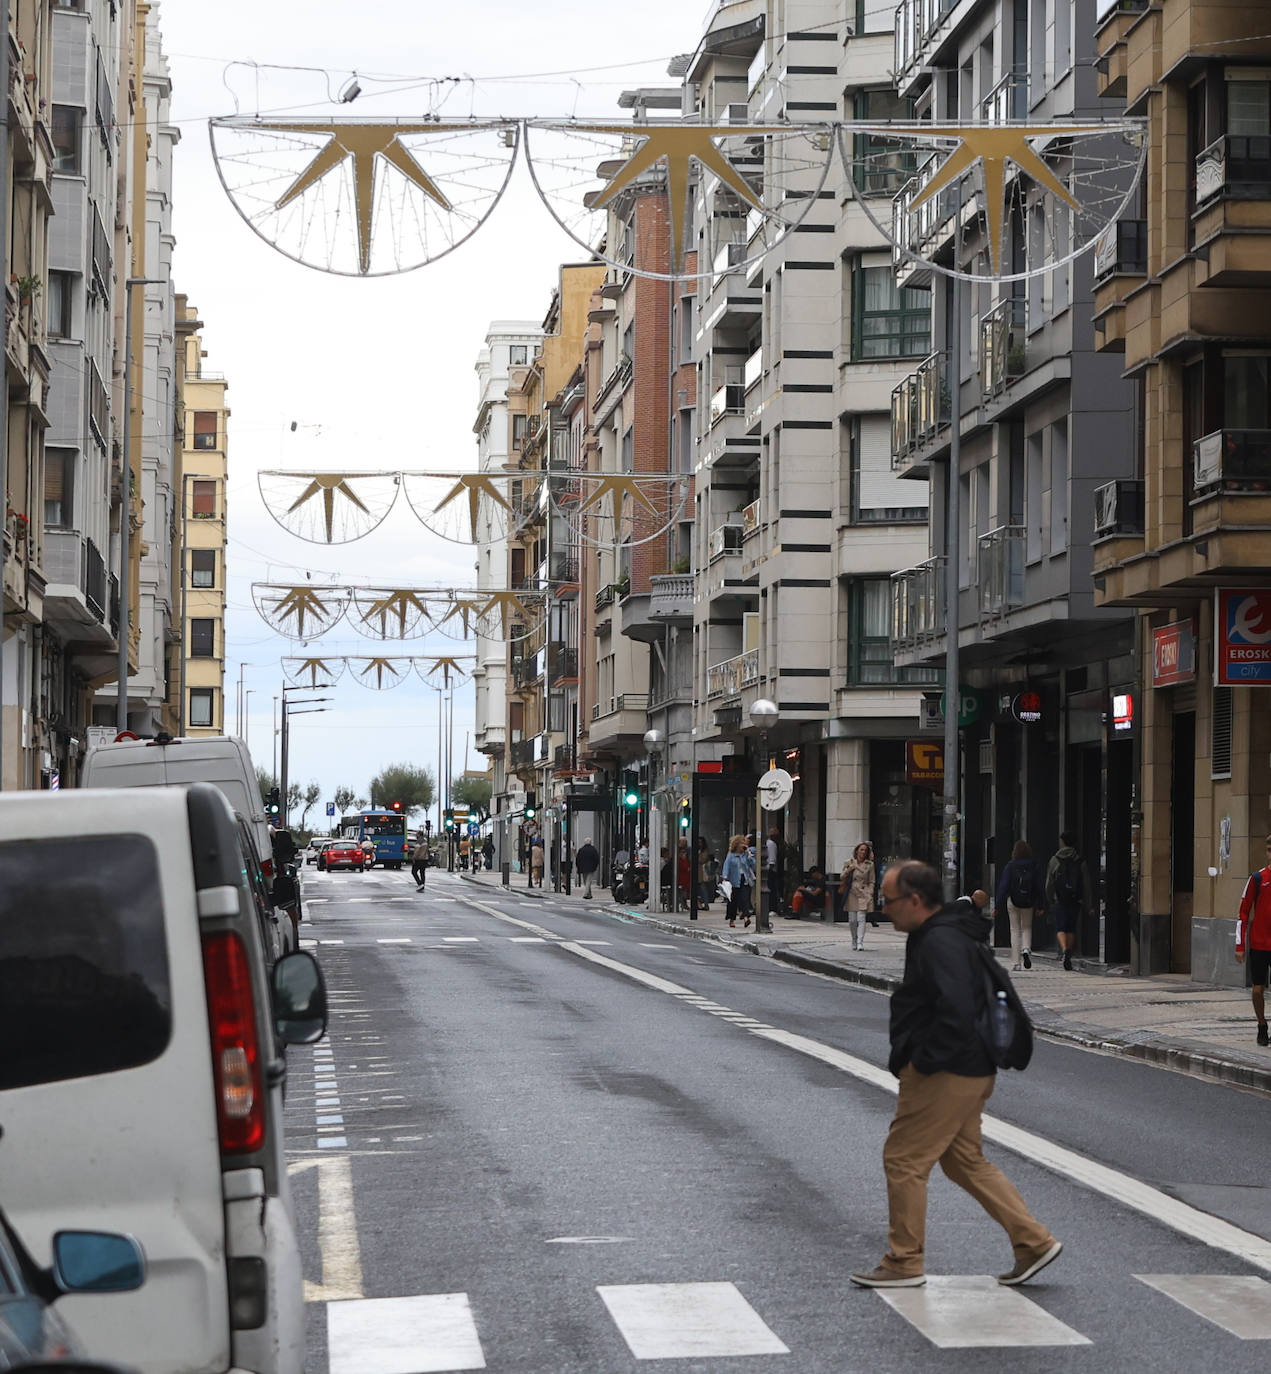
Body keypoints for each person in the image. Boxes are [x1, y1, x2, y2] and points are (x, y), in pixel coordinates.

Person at [850, 860, 1062, 1290]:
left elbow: (957, 1009)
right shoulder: (945, 934)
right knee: (963, 1159)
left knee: (904, 1160)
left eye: (888, 901)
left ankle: (904, 1260)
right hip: (969, 1067)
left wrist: (922, 1061)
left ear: (915, 900)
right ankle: (1033, 1242)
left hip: (947, 1070)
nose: (883, 908)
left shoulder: (939, 941)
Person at [1236, 835, 1271, 1046]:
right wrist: (1240, 945)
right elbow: (1243, 913)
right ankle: (1261, 1024)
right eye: (1269, 849)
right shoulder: (1257, 878)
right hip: (1259, 943)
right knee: (1258, 989)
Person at [1045, 832, 1092, 971]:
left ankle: (1064, 949)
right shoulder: (1080, 860)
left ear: (1063, 842)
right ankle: (1069, 953)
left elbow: (1049, 883)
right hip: (1075, 900)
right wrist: (1089, 904)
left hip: (1059, 900)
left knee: (1060, 928)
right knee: (1071, 928)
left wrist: (1049, 899)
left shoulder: (1055, 860)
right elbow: (1086, 884)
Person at [995, 841, 1044, 971]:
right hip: (1029, 901)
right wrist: (1041, 905)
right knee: (1027, 927)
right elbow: (1039, 886)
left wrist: (997, 905)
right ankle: (1026, 949)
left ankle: (1016, 963)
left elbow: (1003, 887)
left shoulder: (1010, 866)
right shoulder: (1034, 865)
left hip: (1013, 901)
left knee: (1015, 930)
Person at [840, 842, 876, 950]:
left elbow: (872, 880)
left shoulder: (870, 864)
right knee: (852, 920)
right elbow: (842, 877)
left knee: (861, 918)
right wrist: (849, 869)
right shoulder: (849, 862)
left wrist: (870, 892)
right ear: (857, 851)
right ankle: (854, 940)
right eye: (861, 850)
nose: (863, 852)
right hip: (851, 893)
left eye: (865, 850)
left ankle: (860, 942)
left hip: (863, 893)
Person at [721, 834, 751, 929]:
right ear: (737, 845)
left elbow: (753, 864)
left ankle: (746, 918)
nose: (743, 846)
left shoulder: (745, 855)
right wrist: (725, 877)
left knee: (745, 899)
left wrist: (749, 854)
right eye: (742, 844)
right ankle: (732, 919)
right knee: (733, 901)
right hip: (734, 880)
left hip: (744, 879)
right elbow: (726, 866)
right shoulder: (731, 856)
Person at [765, 827, 783, 919]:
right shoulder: (767, 843)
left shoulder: (771, 844)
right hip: (767, 870)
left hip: (770, 871)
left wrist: (769, 869)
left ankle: (773, 908)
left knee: (771, 890)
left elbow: (772, 860)